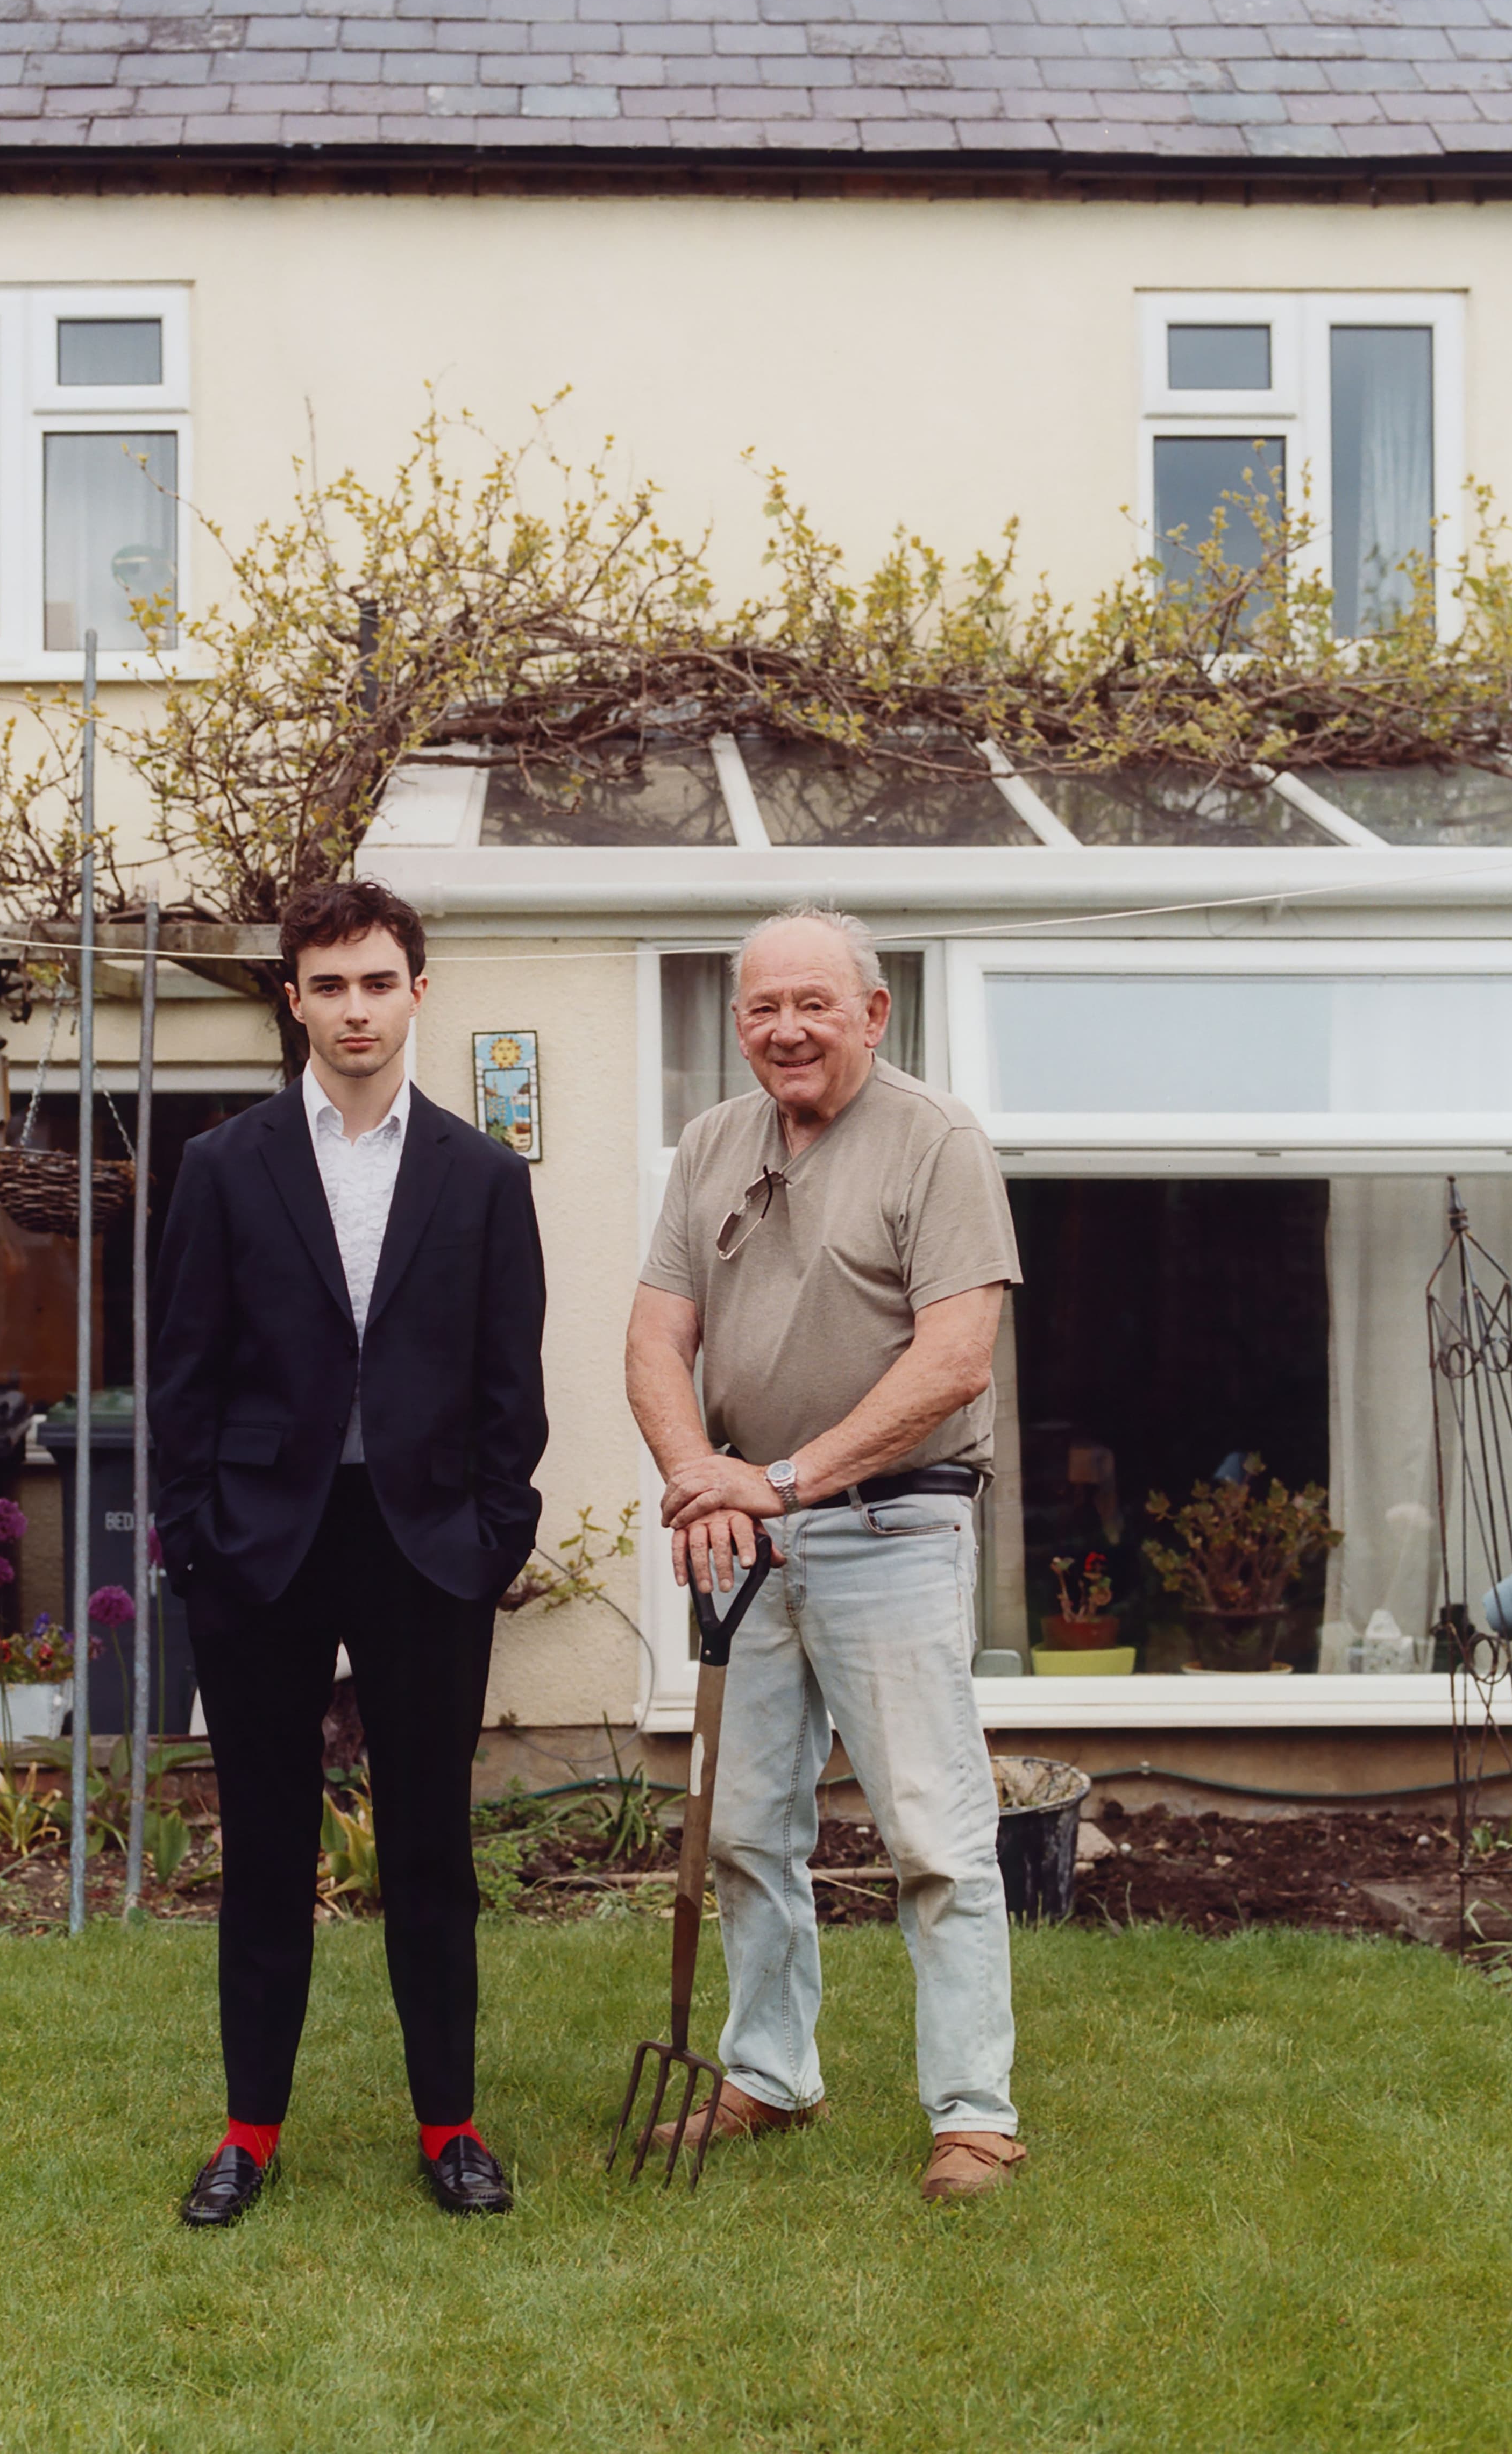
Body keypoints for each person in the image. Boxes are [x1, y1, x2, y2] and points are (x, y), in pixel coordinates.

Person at [152, 876, 548, 2227]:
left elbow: (514, 1385)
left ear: (417, 993)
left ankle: (452, 2127)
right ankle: (247, 2134)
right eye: (329, 984)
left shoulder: (484, 1177)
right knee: (264, 1849)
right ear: (294, 999)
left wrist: (497, 1539)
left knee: (430, 1848)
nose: (356, 1007)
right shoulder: (223, 1166)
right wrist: (192, 1540)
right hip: (258, 1551)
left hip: (430, 1548)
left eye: (379, 982)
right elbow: (182, 1376)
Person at [624, 907, 1025, 2202]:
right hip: (745, 1535)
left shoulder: (936, 1140)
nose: (785, 1030)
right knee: (745, 1826)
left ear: (873, 1012)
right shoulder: (711, 1144)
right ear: (734, 1021)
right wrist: (702, 1480)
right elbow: (653, 1339)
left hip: (893, 1524)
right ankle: (771, 2073)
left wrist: (785, 1479)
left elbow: (955, 1360)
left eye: (812, 1004)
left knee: (933, 1832)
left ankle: (972, 2112)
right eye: (760, 1009)